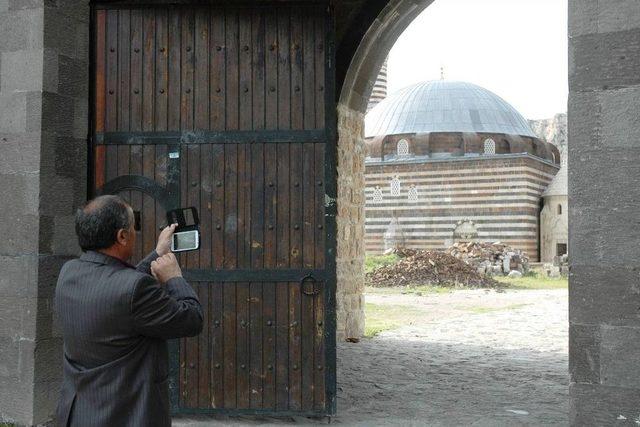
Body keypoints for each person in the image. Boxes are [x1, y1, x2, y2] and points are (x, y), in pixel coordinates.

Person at [54, 195, 203, 427]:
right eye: (133, 227)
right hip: (124, 415)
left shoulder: (69, 272)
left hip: (80, 414)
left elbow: (117, 287)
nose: (135, 232)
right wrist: (174, 278)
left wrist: (156, 253)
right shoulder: (134, 289)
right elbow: (192, 319)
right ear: (122, 236)